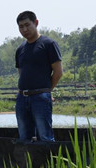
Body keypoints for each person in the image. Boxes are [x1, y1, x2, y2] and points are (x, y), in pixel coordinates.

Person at [14, 10, 63, 142]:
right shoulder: (20, 49)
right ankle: (28, 163)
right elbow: (21, 73)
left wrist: (46, 91)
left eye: (27, 25)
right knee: (24, 138)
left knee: (45, 137)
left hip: (40, 97)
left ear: (36, 23)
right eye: (21, 26)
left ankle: (47, 163)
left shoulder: (48, 44)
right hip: (22, 98)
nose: (24, 29)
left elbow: (58, 72)